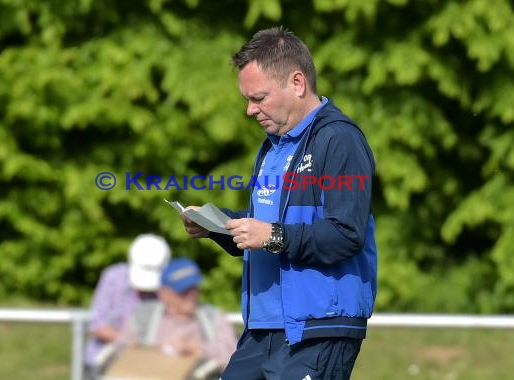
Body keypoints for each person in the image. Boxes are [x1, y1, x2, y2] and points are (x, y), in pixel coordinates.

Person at [181, 26, 377, 380]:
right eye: (247, 99)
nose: (249, 110)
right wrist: (218, 225)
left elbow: (347, 234)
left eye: (258, 98)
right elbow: (266, 228)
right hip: (262, 330)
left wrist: (272, 236)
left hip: (317, 330)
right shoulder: (274, 145)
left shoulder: (340, 139)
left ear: (297, 83)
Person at [111, 257, 238, 379]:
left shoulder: (213, 317)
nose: (191, 295)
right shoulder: (144, 316)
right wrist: (154, 349)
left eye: (194, 289)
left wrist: (197, 349)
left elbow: (234, 360)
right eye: (183, 291)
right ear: (164, 293)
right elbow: (119, 351)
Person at [84, 233, 172, 377]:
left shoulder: (167, 288)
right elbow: (97, 325)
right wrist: (136, 343)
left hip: (145, 369)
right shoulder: (114, 278)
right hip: (103, 366)